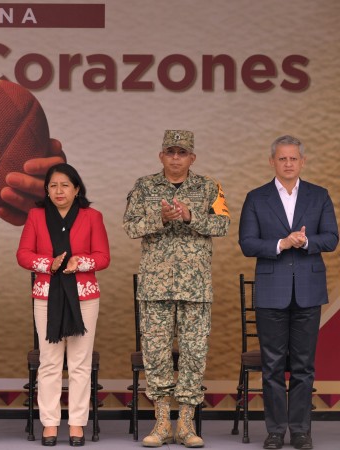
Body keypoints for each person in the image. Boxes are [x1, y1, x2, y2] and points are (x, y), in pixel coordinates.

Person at [123, 130, 230, 448]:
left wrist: (190, 215)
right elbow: (130, 226)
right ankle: (160, 424)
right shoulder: (144, 186)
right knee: (155, 354)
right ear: (161, 156)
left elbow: (223, 224)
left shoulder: (209, 187)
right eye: (170, 152)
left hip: (195, 287)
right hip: (155, 287)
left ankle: (185, 424)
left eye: (182, 153)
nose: (175, 157)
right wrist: (159, 217)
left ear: (192, 158)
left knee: (194, 355)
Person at [238, 135, 338, 450]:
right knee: (272, 367)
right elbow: (247, 243)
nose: (288, 163)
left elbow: (331, 238)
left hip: (309, 291)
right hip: (271, 293)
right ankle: (275, 432)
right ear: (272, 162)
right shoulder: (256, 198)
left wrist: (305, 241)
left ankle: (300, 432)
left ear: (302, 162)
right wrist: (282, 243)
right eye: (282, 158)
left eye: (293, 158)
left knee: (304, 367)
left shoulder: (319, 195)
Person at [16, 163, 110, 447]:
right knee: (50, 362)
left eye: (65, 185)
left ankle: (77, 422)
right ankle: (50, 422)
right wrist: (49, 264)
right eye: (53, 185)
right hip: (47, 295)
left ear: (77, 189)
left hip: (84, 297)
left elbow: (103, 256)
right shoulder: (36, 216)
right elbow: (23, 254)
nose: (59, 191)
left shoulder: (92, 216)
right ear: (46, 189)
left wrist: (79, 262)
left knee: (80, 362)